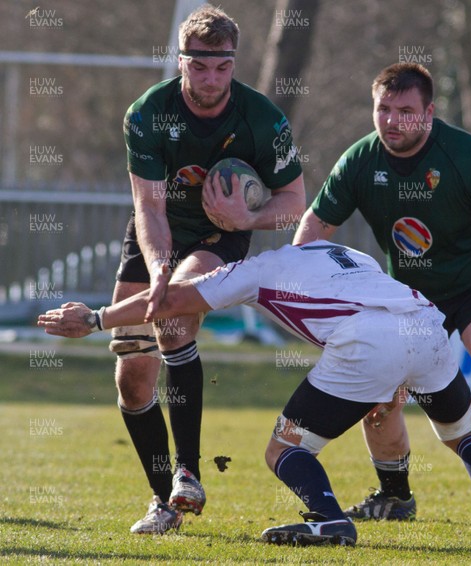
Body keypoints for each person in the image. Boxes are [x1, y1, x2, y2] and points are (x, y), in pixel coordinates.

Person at [38, 241, 471, 548]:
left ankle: (329, 519)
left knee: (283, 450)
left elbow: (172, 299)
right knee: (464, 436)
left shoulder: (251, 270)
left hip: (368, 341)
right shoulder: (340, 250)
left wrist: (96, 317)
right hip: (425, 324)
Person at [293, 63, 471, 524]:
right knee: (378, 386)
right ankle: (394, 496)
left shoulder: (467, 157)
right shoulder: (360, 160)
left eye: (406, 111)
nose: (392, 121)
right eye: (383, 109)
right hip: (412, 291)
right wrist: (294, 283)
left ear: (429, 113)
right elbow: (315, 225)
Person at [113, 5, 304, 534]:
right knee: (132, 377)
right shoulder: (147, 113)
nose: (211, 79)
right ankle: (164, 504)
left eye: (222, 67)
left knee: (173, 320)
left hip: (222, 234)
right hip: (156, 230)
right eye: (200, 67)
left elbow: (294, 200)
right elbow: (148, 208)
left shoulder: (263, 119)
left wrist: (251, 216)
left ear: (233, 62)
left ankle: (189, 471)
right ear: (181, 62)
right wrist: (156, 271)